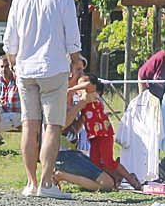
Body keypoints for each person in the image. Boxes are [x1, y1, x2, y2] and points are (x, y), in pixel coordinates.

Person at [4, 0, 82, 199]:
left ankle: (30, 182)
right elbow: (72, 37)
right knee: (53, 126)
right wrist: (76, 62)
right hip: (53, 67)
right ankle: (46, 183)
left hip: (25, 68)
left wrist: (14, 63)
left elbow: (10, 41)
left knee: (29, 124)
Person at [55, 58, 143, 192]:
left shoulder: (87, 92)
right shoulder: (68, 96)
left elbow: (88, 84)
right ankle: (115, 178)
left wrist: (75, 93)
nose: (81, 74)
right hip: (92, 136)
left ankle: (128, 178)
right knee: (97, 163)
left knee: (107, 161)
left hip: (102, 133)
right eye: (78, 70)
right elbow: (64, 127)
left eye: (82, 71)